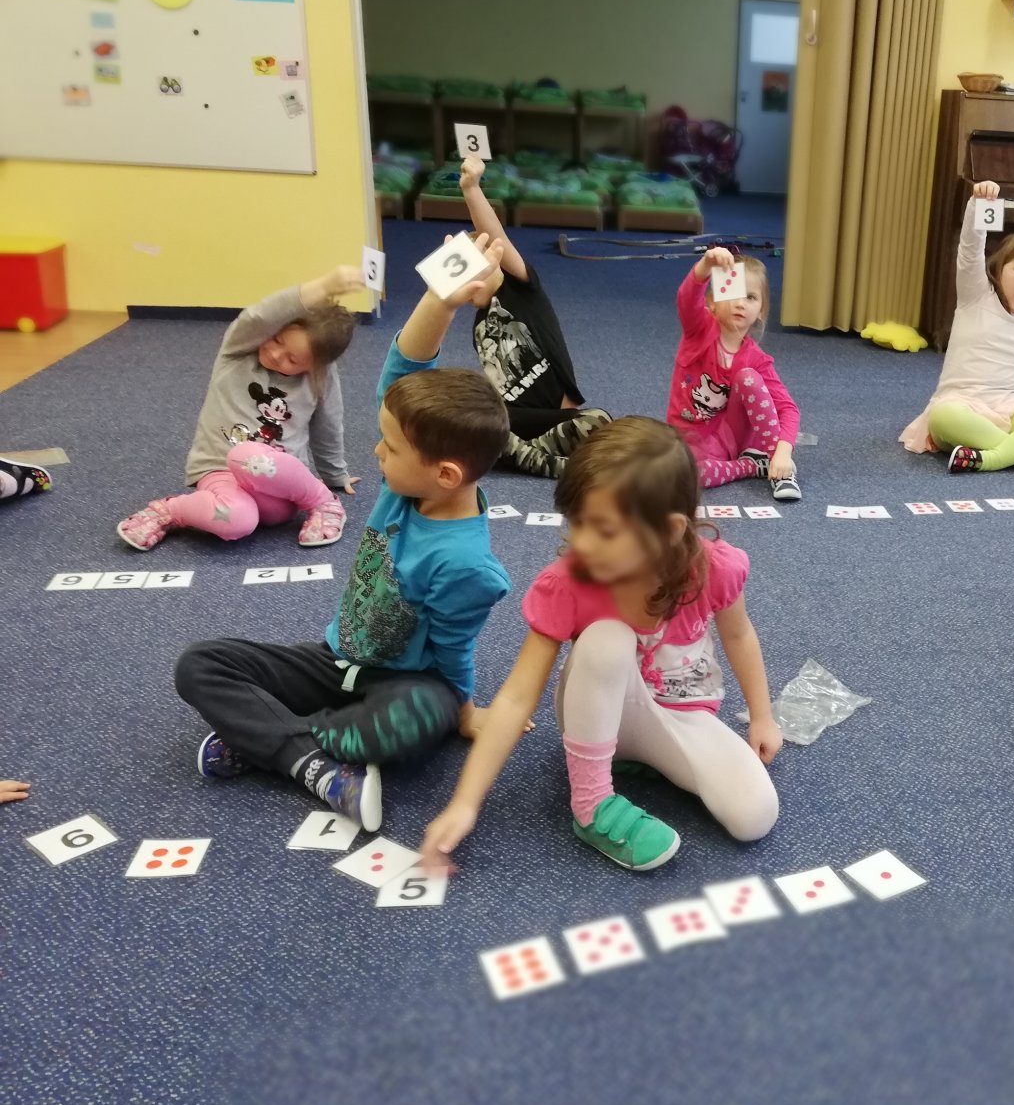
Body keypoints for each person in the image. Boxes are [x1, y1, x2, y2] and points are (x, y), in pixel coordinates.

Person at [172, 237, 515, 830]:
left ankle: (276, 742)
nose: (377, 453)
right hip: (335, 660)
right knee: (200, 664)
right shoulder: (407, 486)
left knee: (415, 720)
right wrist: (442, 299)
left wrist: (464, 710)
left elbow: (455, 650)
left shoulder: (467, 565)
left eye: (390, 448)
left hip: (406, 682)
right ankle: (312, 759)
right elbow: (404, 369)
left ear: (444, 474)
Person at [418, 416, 782, 875]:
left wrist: (762, 717)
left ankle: (643, 759)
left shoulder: (716, 568)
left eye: (605, 530)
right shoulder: (567, 583)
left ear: (670, 530)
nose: (583, 545)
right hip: (595, 713)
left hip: (682, 715)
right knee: (609, 637)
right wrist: (464, 803)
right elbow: (516, 696)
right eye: (578, 524)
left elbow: (739, 634)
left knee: (755, 816)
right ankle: (590, 804)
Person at [116, 267, 360, 552]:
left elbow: (328, 426)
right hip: (221, 473)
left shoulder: (321, 378)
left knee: (252, 460)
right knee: (236, 519)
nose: (275, 354)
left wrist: (335, 474)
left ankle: (323, 502)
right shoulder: (237, 352)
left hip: (279, 488)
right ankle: (170, 510)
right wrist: (324, 286)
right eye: (277, 340)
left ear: (314, 367)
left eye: (292, 360)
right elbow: (259, 317)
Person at [900, 181, 1014, 472]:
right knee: (944, 417)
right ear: (999, 268)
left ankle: (991, 458)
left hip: (1011, 409)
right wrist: (977, 203)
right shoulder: (976, 295)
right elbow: (970, 250)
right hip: (963, 406)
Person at [459, 155, 612, 478]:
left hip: (555, 416)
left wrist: (471, 189)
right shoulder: (478, 326)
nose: (466, 287)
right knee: (464, 415)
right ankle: (541, 459)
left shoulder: (521, 289)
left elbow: (496, 235)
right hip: (512, 420)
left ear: (494, 261)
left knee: (600, 422)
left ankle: (520, 456)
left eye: (472, 272)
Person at [668, 245, 801, 500]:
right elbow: (686, 298)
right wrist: (705, 267)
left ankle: (778, 469)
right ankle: (752, 466)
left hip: (727, 435)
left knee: (749, 377)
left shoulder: (757, 359)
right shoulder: (698, 333)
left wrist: (783, 453)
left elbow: (788, 409)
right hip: (686, 438)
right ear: (712, 302)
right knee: (682, 473)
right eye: (733, 294)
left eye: (751, 297)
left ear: (761, 310)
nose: (740, 304)